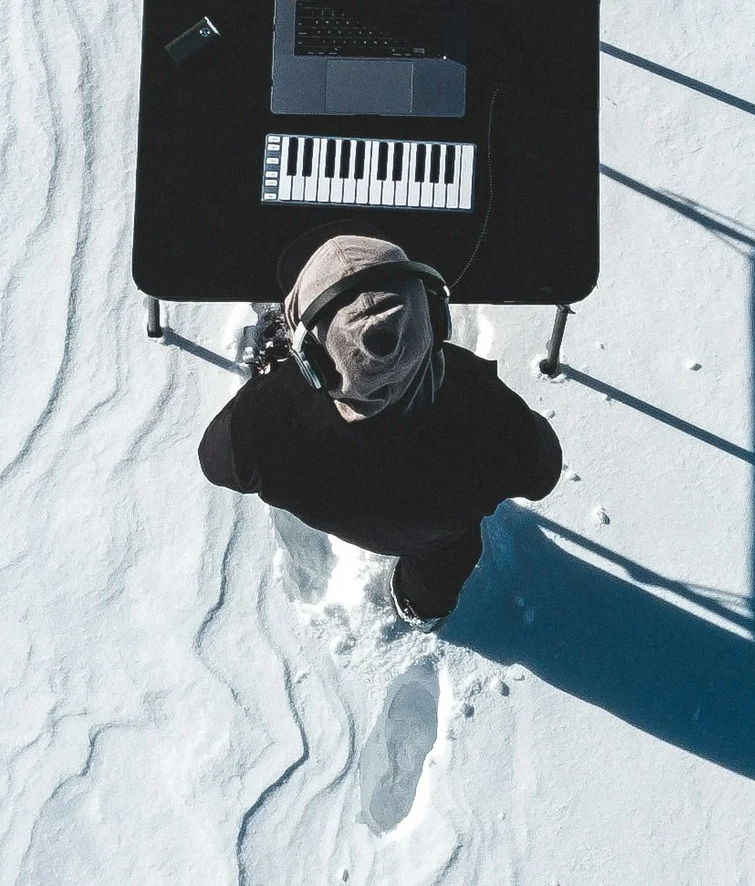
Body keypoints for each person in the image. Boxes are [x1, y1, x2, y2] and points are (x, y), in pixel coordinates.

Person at [197, 233, 563, 626]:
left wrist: (273, 385)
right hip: (436, 537)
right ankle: (421, 608)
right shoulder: (493, 418)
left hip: (340, 512)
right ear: (436, 318)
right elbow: (543, 473)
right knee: (445, 564)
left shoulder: (265, 423)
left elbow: (214, 460)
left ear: (313, 364)